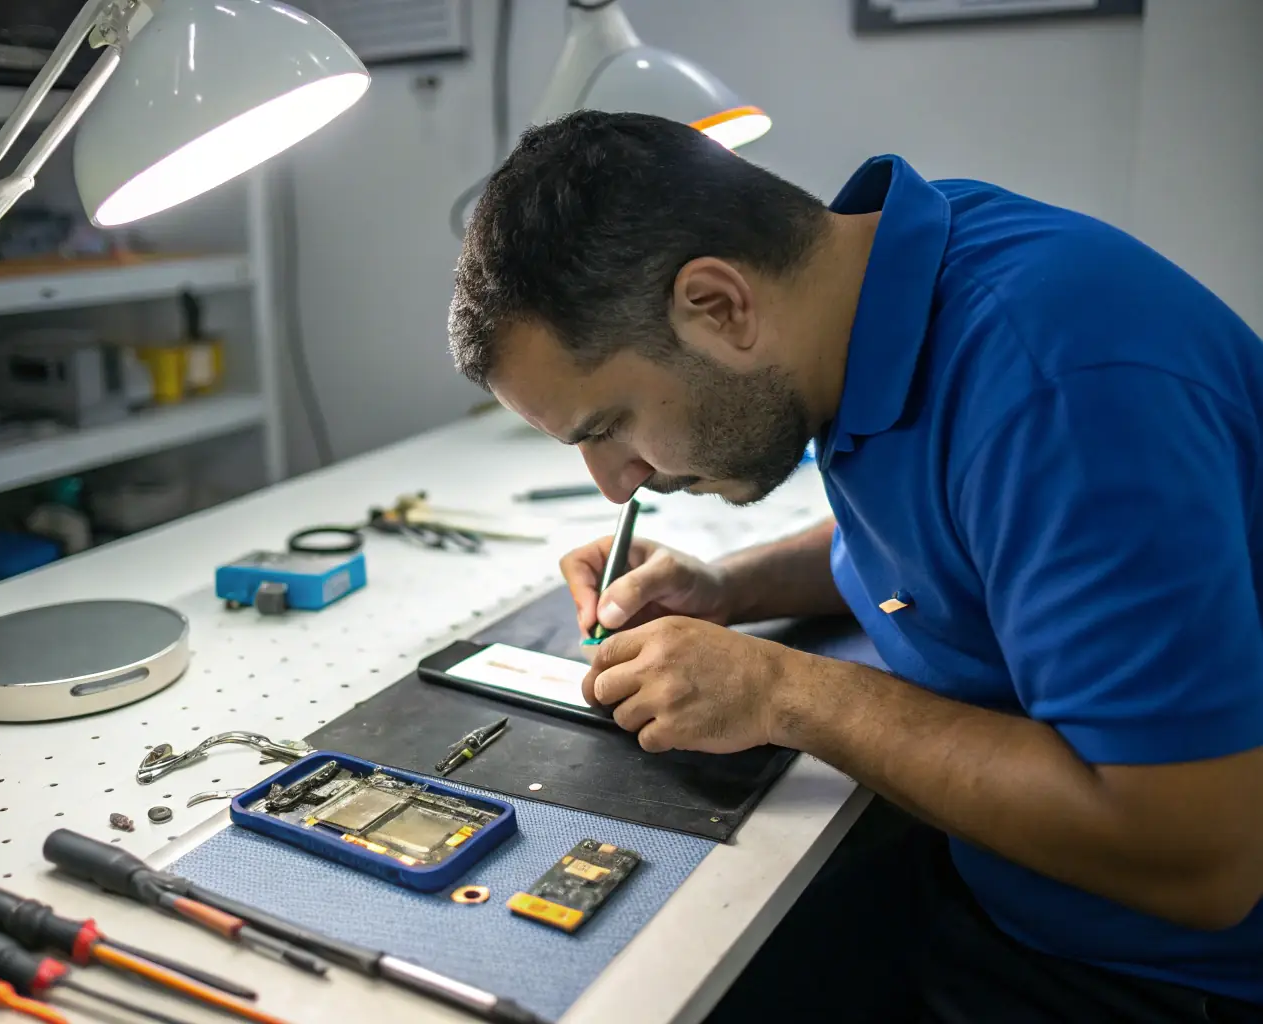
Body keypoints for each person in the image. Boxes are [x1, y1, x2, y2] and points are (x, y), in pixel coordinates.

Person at [446, 110, 1263, 1023]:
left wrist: (781, 691)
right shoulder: (876, 292)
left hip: (1168, 976)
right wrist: (729, 588)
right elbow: (957, 539)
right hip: (1004, 891)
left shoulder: (1062, 389)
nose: (614, 483)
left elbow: (1195, 862)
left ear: (717, 306)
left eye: (608, 426)